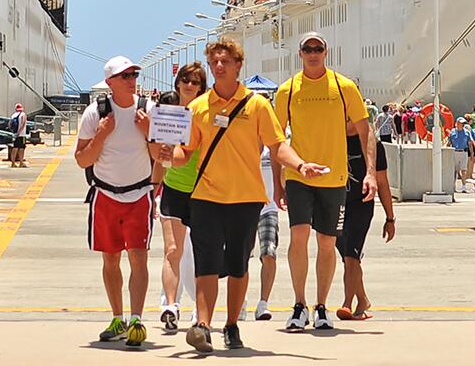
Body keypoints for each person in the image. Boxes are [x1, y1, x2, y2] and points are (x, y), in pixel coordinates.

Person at [170, 39, 327, 355]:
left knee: (238, 265)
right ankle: (202, 325)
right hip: (206, 197)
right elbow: (184, 153)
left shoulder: (256, 105)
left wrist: (300, 165)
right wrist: (165, 154)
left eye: (225, 61)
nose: (219, 66)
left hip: (246, 198)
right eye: (214, 61)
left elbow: (277, 145)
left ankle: (231, 325)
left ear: (238, 65)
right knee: (206, 264)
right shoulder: (198, 108)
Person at [273, 32, 372, 331]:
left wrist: (370, 172)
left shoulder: (343, 87)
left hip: (334, 176)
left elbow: (365, 131)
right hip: (298, 175)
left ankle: (321, 306)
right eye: (308, 49)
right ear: (300, 53)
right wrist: (278, 183)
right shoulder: (287, 90)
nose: (313, 53)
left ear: (326, 52)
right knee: (299, 236)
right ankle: (299, 304)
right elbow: (276, 140)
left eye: (318, 48)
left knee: (327, 242)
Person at [76, 56, 155, 347]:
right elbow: (82, 159)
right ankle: (117, 317)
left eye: (134, 74)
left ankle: (136, 319)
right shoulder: (95, 113)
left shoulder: (148, 110)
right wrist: (101, 134)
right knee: (110, 258)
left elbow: (161, 155)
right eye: (125, 76)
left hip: (139, 194)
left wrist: (149, 132)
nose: (131, 80)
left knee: (138, 256)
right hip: (105, 194)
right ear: (110, 82)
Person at [156, 64, 208, 333]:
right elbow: (160, 157)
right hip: (173, 187)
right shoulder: (168, 114)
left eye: (195, 82)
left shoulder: (206, 114)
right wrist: (153, 188)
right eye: (185, 80)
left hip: (202, 190)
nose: (189, 85)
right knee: (172, 250)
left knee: (202, 253)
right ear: (177, 83)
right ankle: (171, 306)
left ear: (201, 87)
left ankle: (201, 310)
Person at [335, 117, 394, 320]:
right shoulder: (332, 139)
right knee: (348, 257)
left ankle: (346, 304)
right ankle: (362, 300)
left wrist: (390, 218)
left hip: (362, 204)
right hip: (337, 204)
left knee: (351, 255)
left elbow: (382, 183)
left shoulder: (373, 146)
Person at [254, 141, 280, 321]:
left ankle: (263, 303)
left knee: (269, 253)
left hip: (269, 207)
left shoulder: (277, 142)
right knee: (240, 258)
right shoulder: (245, 139)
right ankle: (240, 303)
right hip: (244, 205)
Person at [448, 119, 474, 186]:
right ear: (457, 123)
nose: (462, 125)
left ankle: (463, 186)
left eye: (463, 123)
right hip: (454, 152)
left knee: (463, 170)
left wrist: (472, 154)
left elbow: (469, 143)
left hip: (464, 152)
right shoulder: (452, 132)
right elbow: (449, 143)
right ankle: (453, 186)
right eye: (461, 123)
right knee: (454, 170)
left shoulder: (467, 132)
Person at [9, 103, 29, 167]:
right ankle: (21, 163)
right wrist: (19, 132)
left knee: (15, 148)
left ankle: (13, 163)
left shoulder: (13, 115)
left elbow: (10, 125)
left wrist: (15, 133)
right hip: (22, 135)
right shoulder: (23, 114)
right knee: (22, 148)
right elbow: (23, 124)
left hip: (15, 134)